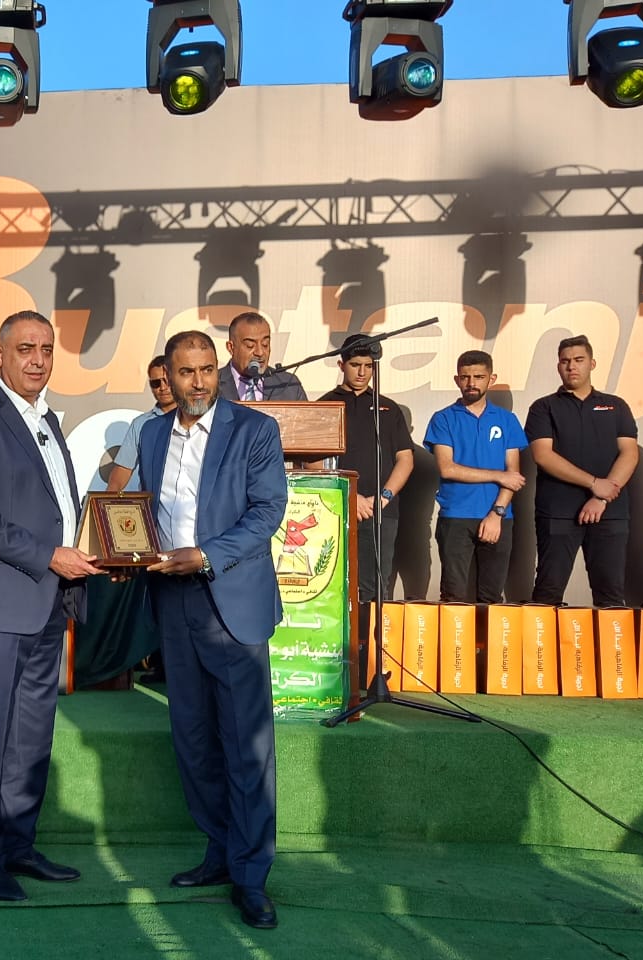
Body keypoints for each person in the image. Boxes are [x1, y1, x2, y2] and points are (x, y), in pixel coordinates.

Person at [0, 310, 100, 903]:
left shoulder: (47, 419)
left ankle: (18, 845)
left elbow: (56, 506)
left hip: (46, 599)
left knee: (32, 732)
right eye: (25, 348)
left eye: (46, 349)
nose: (37, 359)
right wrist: (49, 555)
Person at [138, 330, 287, 930]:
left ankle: (251, 876)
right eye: (186, 372)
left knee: (246, 745)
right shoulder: (152, 434)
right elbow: (146, 512)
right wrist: (129, 553)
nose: (198, 382)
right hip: (172, 601)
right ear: (168, 377)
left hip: (230, 599)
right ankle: (220, 851)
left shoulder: (255, 430)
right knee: (193, 737)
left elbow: (267, 511)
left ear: (217, 370)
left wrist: (205, 555)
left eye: (206, 370)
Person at [525, 335, 638, 607]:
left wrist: (601, 497)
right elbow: (543, 455)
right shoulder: (543, 407)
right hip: (558, 511)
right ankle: (544, 639)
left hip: (609, 512)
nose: (571, 366)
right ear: (558, 366)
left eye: (578, 360)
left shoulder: (616, 405)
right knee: (548, 593)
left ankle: (611, 640)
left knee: (610, 595)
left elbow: (629, 453)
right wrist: (593, 483)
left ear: (592, 363)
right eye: (565, 361)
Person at [310, 335, 414, 602]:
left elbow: (405, 459)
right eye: (355, 365)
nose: (362, 372)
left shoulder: (388, 408)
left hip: (380, 512)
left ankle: (371, 632)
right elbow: (311, 461)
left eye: (369, 366)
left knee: (376, 590)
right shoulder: (324, 405)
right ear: (341, 365)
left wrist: (383, 497)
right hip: (335, 508)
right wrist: (349, 497)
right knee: (331, 585)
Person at [423, 350, 527, 604]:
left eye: (479, 377)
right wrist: (498, 476)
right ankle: (456, 634)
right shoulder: (443, 418)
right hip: (456, 516)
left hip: (499, 517)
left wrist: (497, 514)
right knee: (453, 597)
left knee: (491, 598)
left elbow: (513, 475)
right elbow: (447, 468)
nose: (471, 383)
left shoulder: (506, 420)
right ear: (457, 380)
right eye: (465, 377)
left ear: (491, 379)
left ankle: (489, 636)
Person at [105, 355, 178, 492]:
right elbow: (119, 477)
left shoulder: (195, 418)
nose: (162, 387)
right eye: (156, 383)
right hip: (152, 504)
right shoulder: (140, 424)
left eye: (167, 381)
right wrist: (107, 501)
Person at [217, 311, 307, 403]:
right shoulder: (213, 384)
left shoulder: (289, 385)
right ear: (231, 347)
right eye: (250, 346)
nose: (260, 353)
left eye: (265, 344)